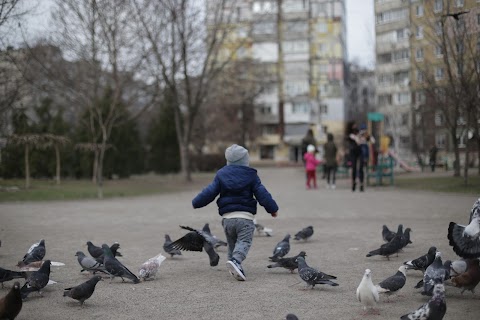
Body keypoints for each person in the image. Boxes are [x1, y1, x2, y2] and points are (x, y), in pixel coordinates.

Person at [192, 144, 279, 281]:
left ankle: (232, 265)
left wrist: (197, 202)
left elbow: (209, 192)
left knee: (232, 243)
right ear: (245, 160)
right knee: (244, 241)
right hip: (245, 218)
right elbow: (263, 194)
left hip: (227, 219)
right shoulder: (251, 175)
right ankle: (236, 261)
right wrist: (272, 209)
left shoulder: (221, 174)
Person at [347, 121, 364, 192]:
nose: (355, 126)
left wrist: (361, 138)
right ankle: (354, 183)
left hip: (359, 152)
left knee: (360, 168)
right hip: (353, 152)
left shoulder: (359, 133)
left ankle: (361, 184)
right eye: (354, 125)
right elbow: (350, 138)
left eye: (356, 125)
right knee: (354, 168)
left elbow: (363, 140)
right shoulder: (350, 134)